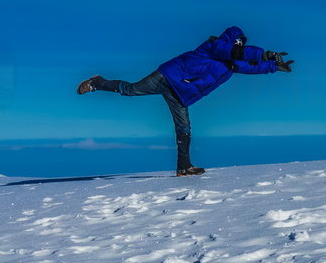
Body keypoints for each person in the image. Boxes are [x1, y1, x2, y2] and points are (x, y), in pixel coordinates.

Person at [77, 26, 293, 176]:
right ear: (229, 39)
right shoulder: (214, 45)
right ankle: (97, 82)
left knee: (184, 129)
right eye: (236, 42)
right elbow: (234, 52)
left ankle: (184, 167)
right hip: (167, 77)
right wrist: (265, 54)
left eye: (240, 43)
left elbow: (249, 66)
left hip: (180, 93)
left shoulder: (231, 63)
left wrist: (273, 66)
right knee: (131, 90)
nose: (237, 45)